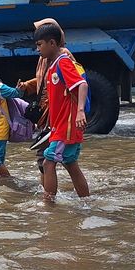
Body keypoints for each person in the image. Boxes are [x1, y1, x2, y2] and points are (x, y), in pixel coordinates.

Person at [34, 23, 89, 201]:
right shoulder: (52, 66)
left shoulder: (63, 62)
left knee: (48, 162)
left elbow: (82, 84)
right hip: (61, 126)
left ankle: (49, 207)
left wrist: (80, 111)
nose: (37, 49)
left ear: (52, 43)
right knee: (70, 164)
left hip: (66, 127)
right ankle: (86, 202)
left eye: (39, 44)